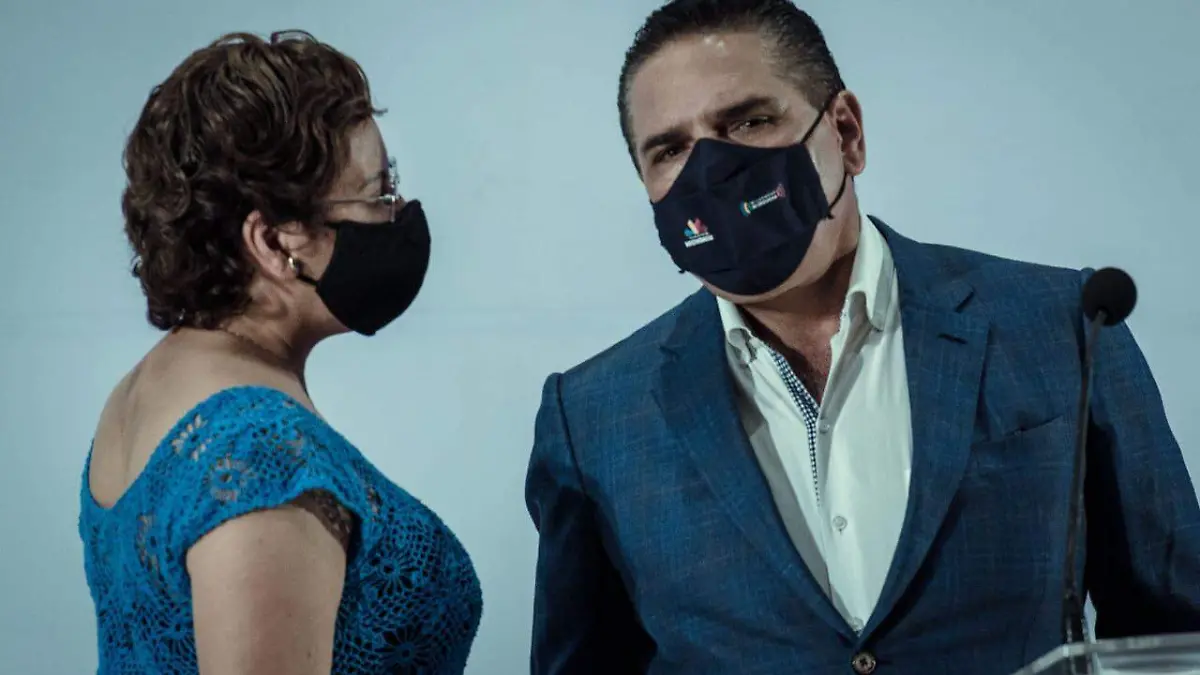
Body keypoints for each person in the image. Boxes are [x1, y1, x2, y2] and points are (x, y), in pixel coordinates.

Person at [524, 1, 1200, 673]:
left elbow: (1176, 631)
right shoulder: (592, 420)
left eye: (749, 121)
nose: (711, 170)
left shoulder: (1063, 326)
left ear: (846, 132)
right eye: (671, 149)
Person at [79, 31, 482, 674]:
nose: (398, 213)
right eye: (378, 192)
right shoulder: (257, 451)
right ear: (272, 242)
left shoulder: (142, 394)